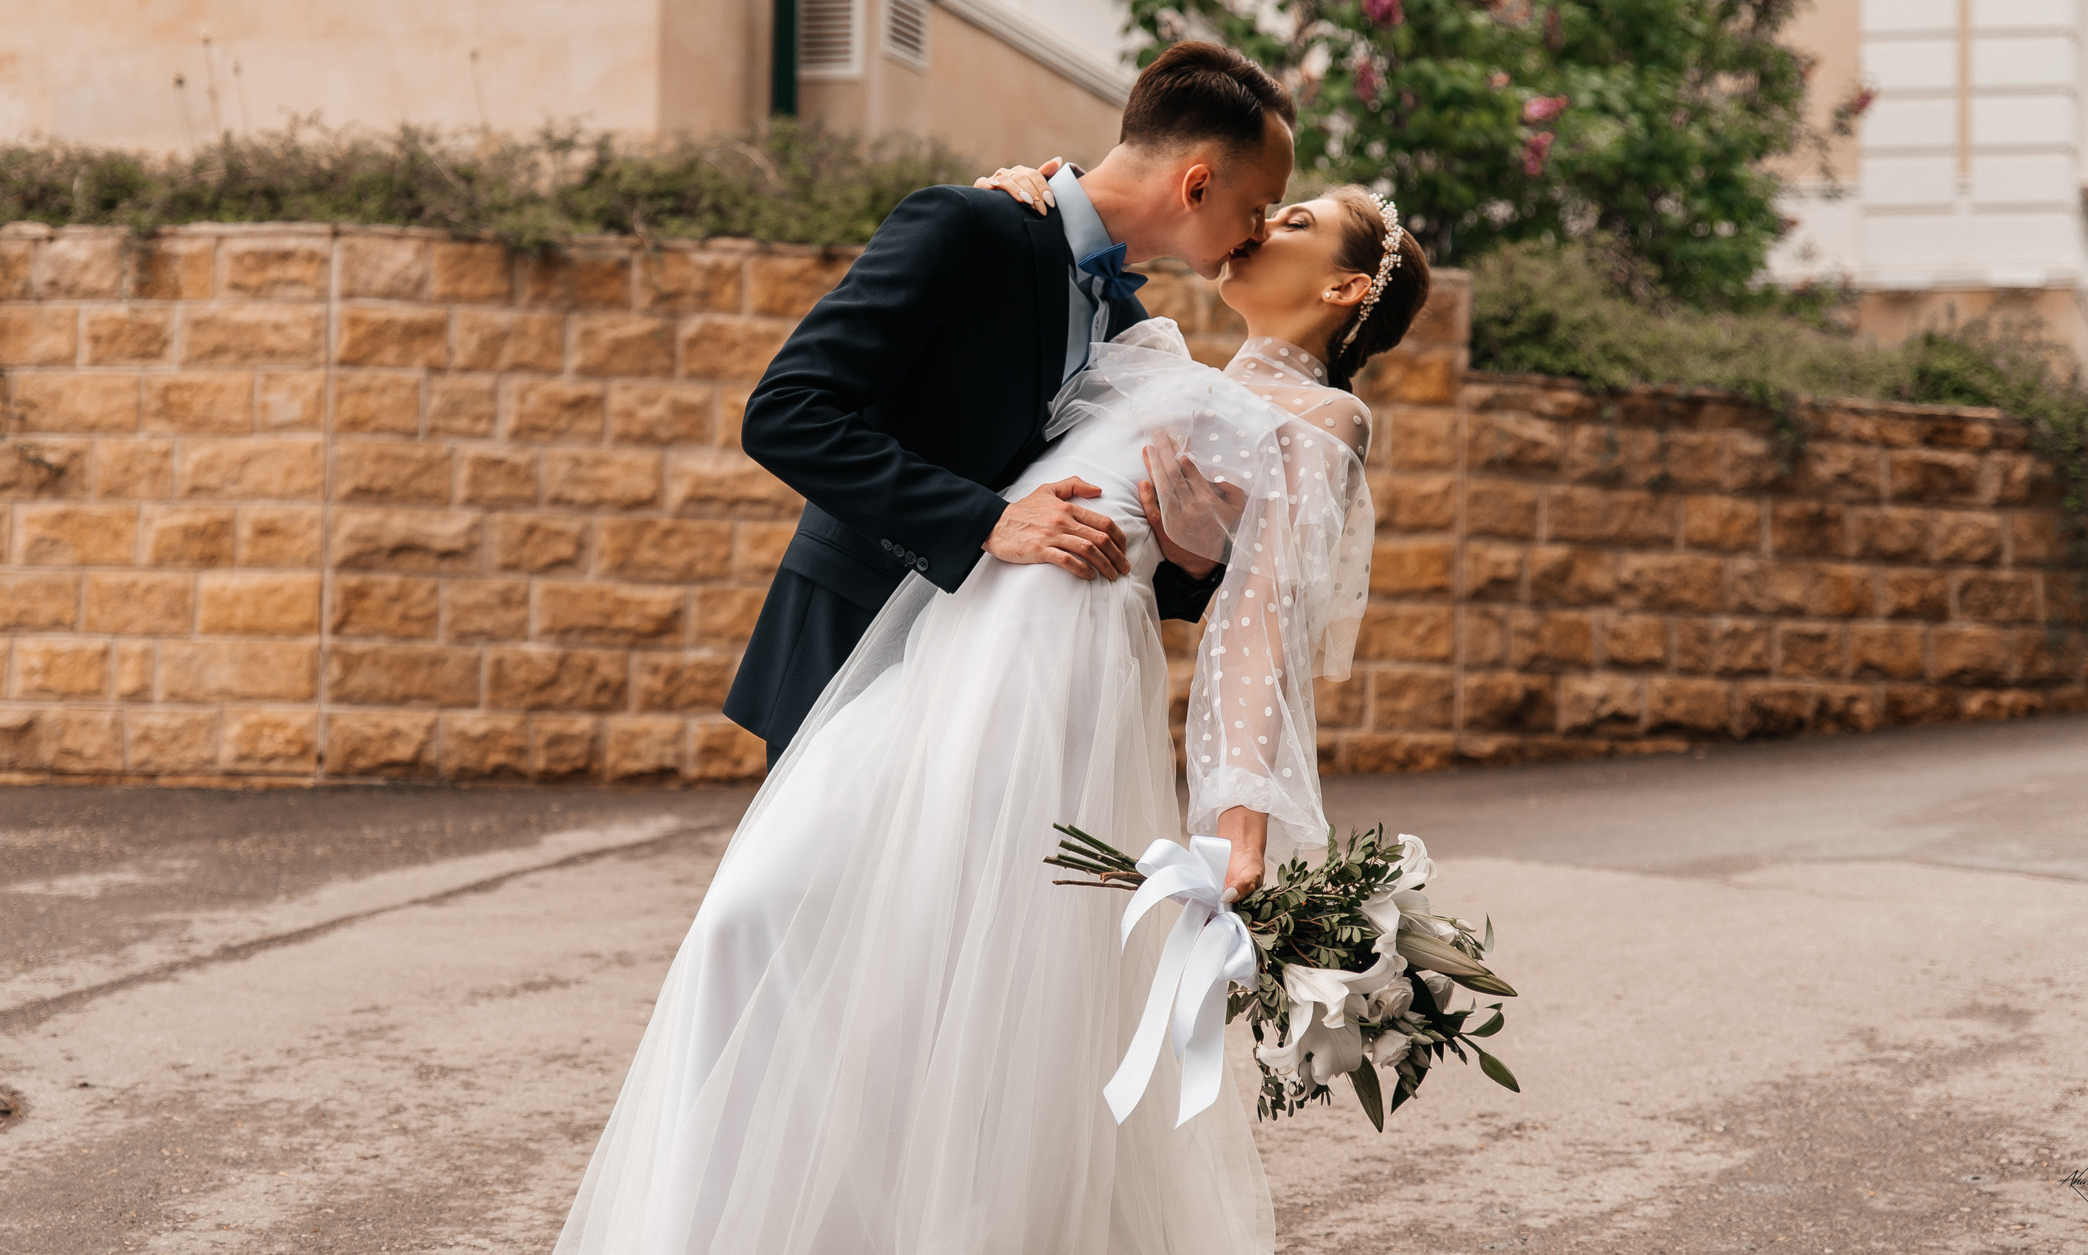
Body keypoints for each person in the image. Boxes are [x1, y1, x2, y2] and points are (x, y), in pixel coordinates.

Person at [550, 172, 1435, 1255]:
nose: (1259, 226)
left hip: (1052, 682)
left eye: (1292, 221)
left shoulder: (1320, 415)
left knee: (963, 990)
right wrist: (1029, 181)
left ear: (1347, 287)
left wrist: (1239, 827)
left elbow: (1258, 637)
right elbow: (1073, 250)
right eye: (1261, 205)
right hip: (942, 645)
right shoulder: (1152, 350)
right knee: (764, 912)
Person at [725, 41, 1297, 768]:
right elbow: (785, 412)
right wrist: (986, 522)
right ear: (1197, 185)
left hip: (992, 683)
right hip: (854, 638)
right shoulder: (968, 226)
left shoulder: (1128, 324)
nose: (1260, 232)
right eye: (1258, 206)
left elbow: (1088, 527)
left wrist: (1188, 562)